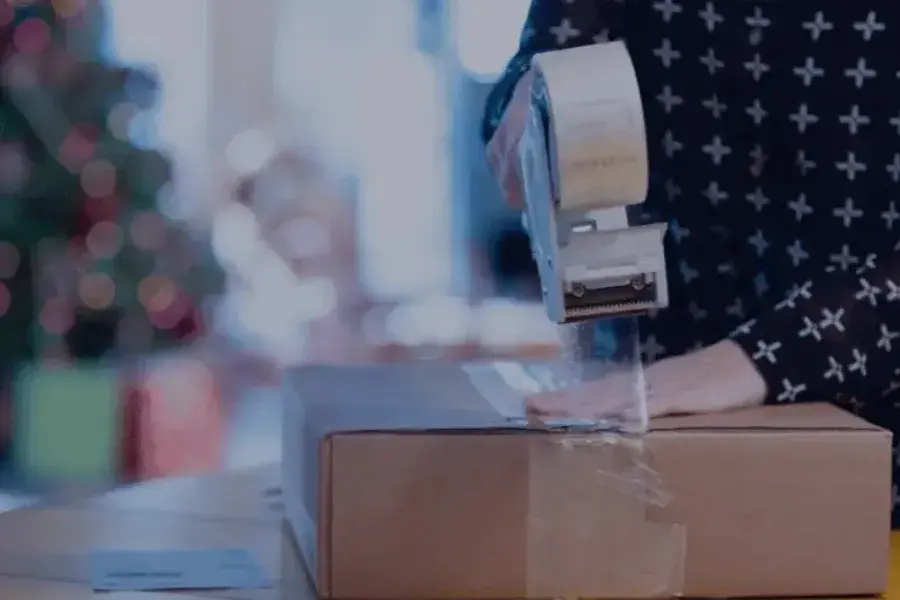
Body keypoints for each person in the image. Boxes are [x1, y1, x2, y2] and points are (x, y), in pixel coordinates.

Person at [484, 0, 900, 518]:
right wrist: (530, 98)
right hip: (642, 418)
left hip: (873, 452)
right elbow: (546, 70)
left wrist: (771, 354)